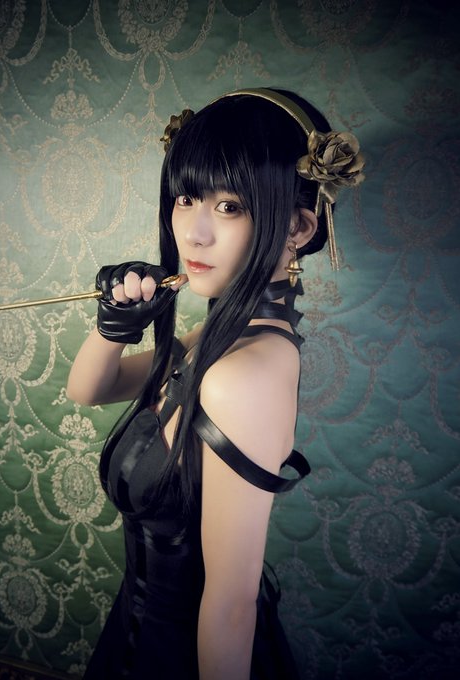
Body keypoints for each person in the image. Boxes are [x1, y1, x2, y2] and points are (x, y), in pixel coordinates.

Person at [67, 87, 365, 680]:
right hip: (138, 631)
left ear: (298, 226)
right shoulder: (223, 332)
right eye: (186, 198)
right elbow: (90, 390)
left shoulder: (242, 376)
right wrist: (114, 325)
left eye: (229, 206)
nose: (193, 233)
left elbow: (230, 605)